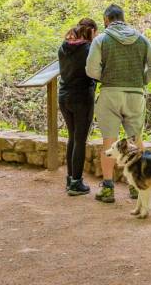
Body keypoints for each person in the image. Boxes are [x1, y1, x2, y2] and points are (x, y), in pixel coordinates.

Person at [86, 4, 151, 203]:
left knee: (109, 142)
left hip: (110, 94)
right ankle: (137, 186)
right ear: (123, 18)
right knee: (135, 140)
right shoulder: (142, 39)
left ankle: (108, 189)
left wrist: (107, 77)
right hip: (135, 95)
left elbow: (91, 70)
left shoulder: (101, 39)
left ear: (106, 20)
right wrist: (142, 80)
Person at [58, 18, 98, 196]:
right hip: (82, 98)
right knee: (80, 139)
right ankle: (76, 183)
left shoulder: (63, 47)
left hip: (64, 96)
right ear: (91, 31)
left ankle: (70, 178)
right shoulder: (89, 49)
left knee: (72, 137)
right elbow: (95, 72)